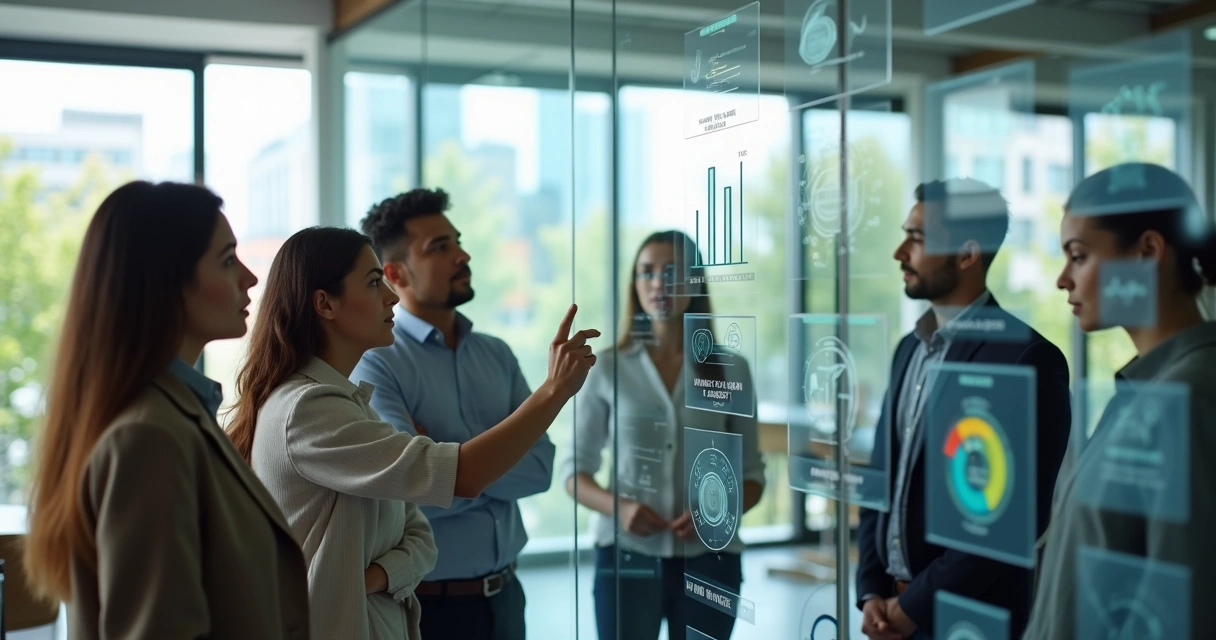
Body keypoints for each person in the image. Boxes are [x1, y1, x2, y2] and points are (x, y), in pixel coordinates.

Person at [226, 226, 598, 640]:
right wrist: (554, 390)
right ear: (325, 304)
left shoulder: (348, 404)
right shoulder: (308, 409)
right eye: (373, 283)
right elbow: (465, 476)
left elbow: (420, 532)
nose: (392, 297)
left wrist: (378, 575)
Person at [23, 181, 310, 639]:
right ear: (164, 282)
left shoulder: (173, 416)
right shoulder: (150, 436)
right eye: (226, 260)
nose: (250, 278)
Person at [855, 179, 1072, 640]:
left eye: (916, 238)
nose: (899, 252)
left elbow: (1010, 522)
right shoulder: (908, 350)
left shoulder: (1027, 358)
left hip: (969, 621)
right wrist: (870, 588)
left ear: (968, 254)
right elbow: (880, 478)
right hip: (887, 612)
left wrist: (913, 605)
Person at [350, 188, 569, 640]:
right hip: (427, 606)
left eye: (458, 241)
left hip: (507, 597)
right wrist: (476, 467)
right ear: (395, 273)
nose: (462, 255)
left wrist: (447, 464)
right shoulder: (375, 363)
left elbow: (541, 469)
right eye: (439, 247)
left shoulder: (497, 354)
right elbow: (407, 497)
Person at [1023, 163, 1216, 640]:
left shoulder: (1188, 398)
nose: (1063, 279)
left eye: (1079, 256)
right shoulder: (1142, 392)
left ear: (1147, 253)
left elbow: (1180, 613)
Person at [561, 230, 766, 640]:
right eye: (647, 272)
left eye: (673, 272)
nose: (659, 282)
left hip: (712, 559)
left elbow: (752, 475)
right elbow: (573, 473)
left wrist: (718, 514)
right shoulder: (607, 368)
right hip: (626, 556)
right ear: (635, 285)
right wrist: (619, 508)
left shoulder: (732, 369)